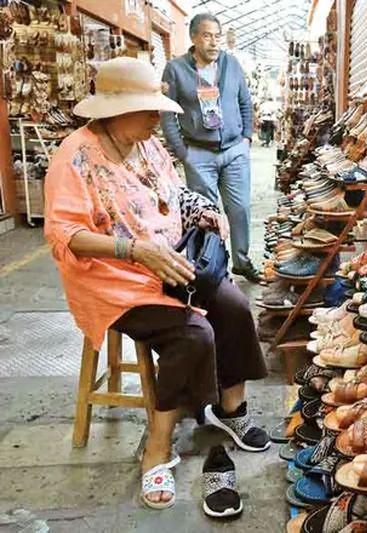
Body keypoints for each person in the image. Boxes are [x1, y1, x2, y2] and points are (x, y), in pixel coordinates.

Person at [44, 57, 269, 511]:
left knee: (234, 306)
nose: (157, 119)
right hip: (114, 279)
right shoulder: (75, 156)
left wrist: (202, 209)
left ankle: (231, 410)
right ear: (116, 111)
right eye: (149, 110)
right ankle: (157, 448)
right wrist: (134, 250)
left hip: (170, 263)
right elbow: (64, 233)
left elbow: (171, 193)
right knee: (193, 333)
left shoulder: (147, 145)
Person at [160, 13, 261, 282]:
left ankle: (242, 261)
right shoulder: (175, 69)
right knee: (207, 213)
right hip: (198, 153)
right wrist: (183, 152)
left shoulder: (231, 64)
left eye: (217, 36)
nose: (214, 42)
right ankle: (214, 265)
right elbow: (167, 114)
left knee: (239, 209)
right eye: (207, 36)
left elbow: (245, 102)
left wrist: (246, 138)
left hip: (234, 150)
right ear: (194, 37)